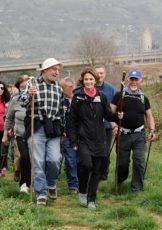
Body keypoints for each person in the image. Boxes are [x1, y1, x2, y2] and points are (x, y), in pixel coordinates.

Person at [68, 68, 122, 209]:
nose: (89, 81)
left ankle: (91, 199)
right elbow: (71, 120)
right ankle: (82, 192)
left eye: (91, 79)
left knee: (97, 169)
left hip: (99, 138)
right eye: (86, 79)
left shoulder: (102, 96)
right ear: (83, 80)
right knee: (86, 165)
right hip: (83, 138)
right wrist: (73, 140)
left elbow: (108, 115)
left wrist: (117, 116)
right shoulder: (77, 97)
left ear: (95, 80)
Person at [20, 58, 64, 206]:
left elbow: (61, 110)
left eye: (58, 70)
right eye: (54, 69)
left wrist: (62, 128)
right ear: (44, 70)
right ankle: (41, 194)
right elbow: (22, 101)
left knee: (54, 160)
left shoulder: (59, 87)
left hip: (53, 129)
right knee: (38, 162)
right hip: (37, 127)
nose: (56, 72)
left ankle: (51, 184)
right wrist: (29, 95)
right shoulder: (32, 84)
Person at [111, 69, 156, 192]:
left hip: (139, 135)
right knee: (122, 163)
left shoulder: (143, 98)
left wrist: (152, 130)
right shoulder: (119, 95)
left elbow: (149, 116)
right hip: (123, 134)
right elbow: (111, 113)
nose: (134, 82)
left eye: (136, 79)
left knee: (139, 161)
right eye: (132, 79)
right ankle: (119, 181)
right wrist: (114, 126)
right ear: (127, 80)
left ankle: (137, 189)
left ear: (140, 81)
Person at [2, 75, 31, 194]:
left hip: (35, 134)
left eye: (27, 86)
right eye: (22, 86)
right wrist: (5, 134)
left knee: (34, 159)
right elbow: (8, 118)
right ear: (18, 88)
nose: (25, 88)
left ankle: (34, 182)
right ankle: (24, 183)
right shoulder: (15, 100)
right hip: (20, 134)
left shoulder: (36, 98)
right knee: (24, 157)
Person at [94, 65, 117, 180]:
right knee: (94, 150)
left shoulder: (111, 89)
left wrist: (115, 124)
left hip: (107, 126)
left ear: (105, 74)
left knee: (105, 151)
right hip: (92, 127)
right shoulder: (88, 87)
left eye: (101, 73)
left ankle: (104, 174)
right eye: (97, 73)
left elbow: (116, 107)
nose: (99, 75)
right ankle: (94, 173)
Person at [59, 77, 78, 193]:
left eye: (63, 88)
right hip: (63, 135)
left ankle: (75, 184)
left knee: (73, 160)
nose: (60, 90)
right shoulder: (59, 100)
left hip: (76, 135)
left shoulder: (78, 99)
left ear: (71, 87)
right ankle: (72, 185)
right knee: (66, 160)